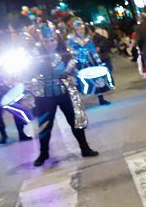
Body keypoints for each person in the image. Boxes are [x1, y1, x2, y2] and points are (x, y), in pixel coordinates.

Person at [29, 24, 99, 167]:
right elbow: (28, 75)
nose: (50, 44)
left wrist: (70, 73)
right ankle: (43, 153)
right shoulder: (35, 56)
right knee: (44, 125)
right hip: (44, 95)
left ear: (57, 40)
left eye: (52, 40)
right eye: (46, 41)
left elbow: (75, 70)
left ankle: (84, 148)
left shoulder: (66, 54)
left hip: (65, 92)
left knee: (75, 121)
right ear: (42, 41)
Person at [66, 18, 111, 106]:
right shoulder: (71, 39)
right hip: (78, 62)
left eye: (82, 29)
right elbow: (70, 51)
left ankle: (101, 99)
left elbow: (93, 50)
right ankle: (79, 101)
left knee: (96, 78)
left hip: (90, 61)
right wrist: (79, 54)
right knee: (78, 80)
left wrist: (98, 61)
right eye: (78, 29)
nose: (81, 31)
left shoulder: (88, 39)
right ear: (75, 30)